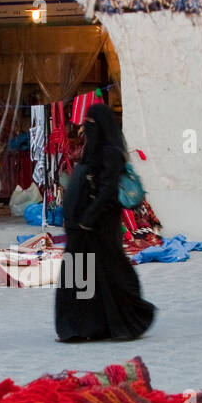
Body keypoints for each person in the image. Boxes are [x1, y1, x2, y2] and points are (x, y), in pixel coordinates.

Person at [55, 104, 156, 342]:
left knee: (110, 272)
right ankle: (83, 324)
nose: (86, 126)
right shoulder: (93, 149)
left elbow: (107, 189)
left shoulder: (110, 152)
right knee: (82, 273)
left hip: (99, 225)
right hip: (83, 226)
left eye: (91, 122)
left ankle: (125, 318)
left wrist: (89, 218)